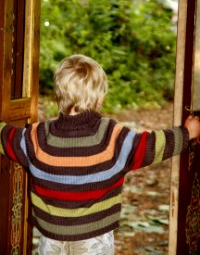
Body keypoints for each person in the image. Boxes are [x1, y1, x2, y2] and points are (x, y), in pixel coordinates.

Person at [0, 54, 200, 255]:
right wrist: (187, 133)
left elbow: (6, 137)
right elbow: (150, 145)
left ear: (59, 95)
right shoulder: (110, 136)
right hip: (94, 242)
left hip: (51, 241)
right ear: (99, 98)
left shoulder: (37, 137)